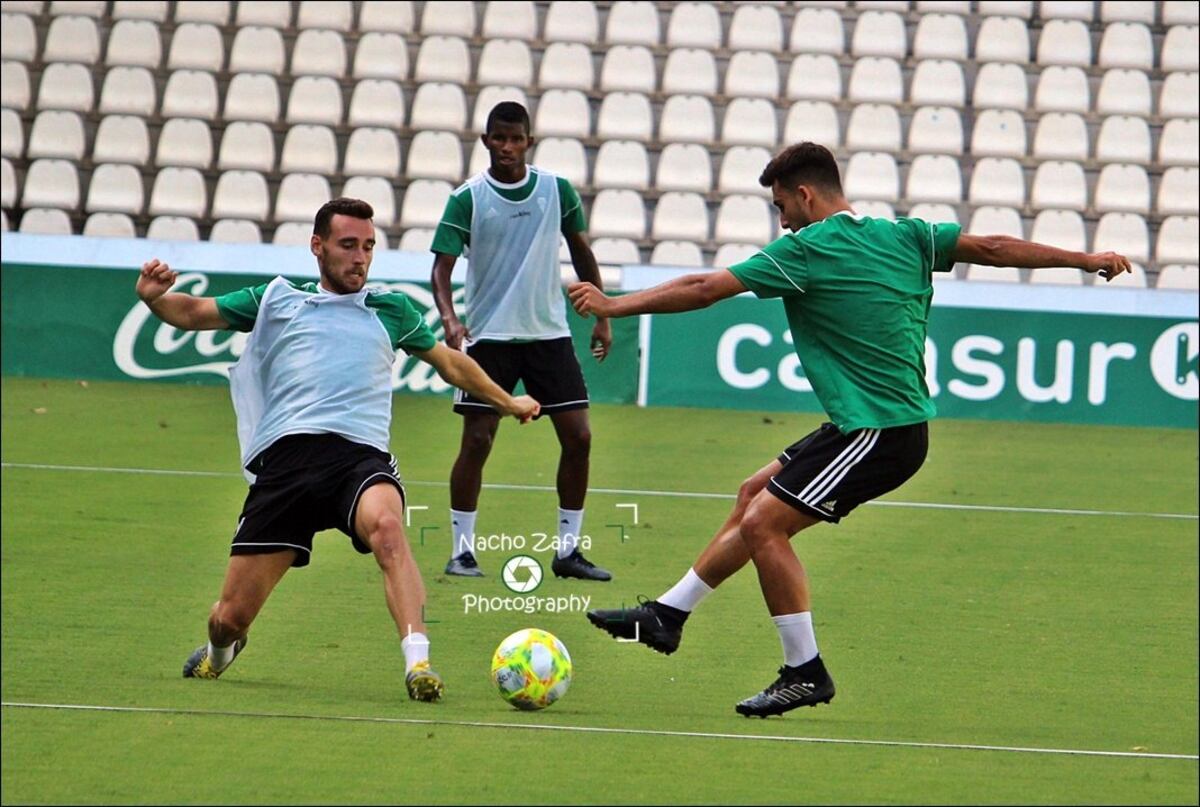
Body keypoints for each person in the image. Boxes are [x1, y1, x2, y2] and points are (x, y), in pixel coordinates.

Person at [569, 142, 1131, 718]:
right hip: (865, 427)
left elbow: (703, 288)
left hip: (878, 432)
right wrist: (1083, 259)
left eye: (781, 206)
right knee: (751, 495)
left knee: (764, 524)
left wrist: (614, 306)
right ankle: (667, 614)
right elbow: (992, 247)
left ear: (805, 195)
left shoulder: (806, 249)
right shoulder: (908, 236)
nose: (782, 220)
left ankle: (804, 671)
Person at [136, 197, 540, 702]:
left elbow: (450, 363)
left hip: (358, 459)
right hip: (286, 466)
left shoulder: (392, 309)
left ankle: (419, 664)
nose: (360, 257)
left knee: (388, 529)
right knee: (228, 619)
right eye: (348, 245)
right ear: (318, 246)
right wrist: (154, 299)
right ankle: (221, 653)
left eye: (368, 246)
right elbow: (194, 312)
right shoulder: (277, 298)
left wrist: (506, 401)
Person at [430, 101, 613, 581]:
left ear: (529, 141)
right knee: (477, 440)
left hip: (548, 334)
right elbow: (441, 269)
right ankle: (461, 552)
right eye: (499, 138)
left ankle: (568, 551)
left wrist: (603, 314)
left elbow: (581, 251)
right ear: (486, 140)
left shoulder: (556, 189)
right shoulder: (467, 198)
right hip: (489, 337)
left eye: (516, 139)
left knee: (579, 437)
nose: (507, 146)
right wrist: (450, 318)